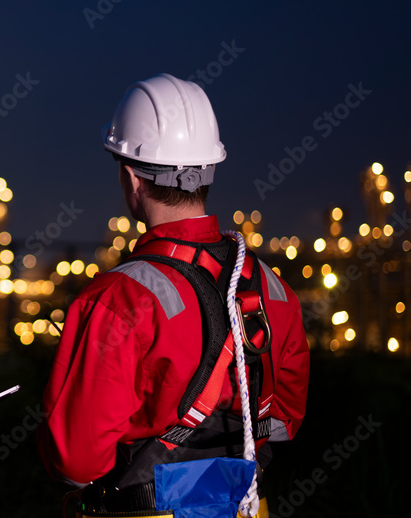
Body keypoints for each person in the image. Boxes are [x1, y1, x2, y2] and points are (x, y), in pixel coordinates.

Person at [39, 74, 310, 517]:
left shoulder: (117, 298)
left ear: (131, 179)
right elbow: (284, 421)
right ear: (209, 171)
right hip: (247, 508)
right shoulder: (273, 289)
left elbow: (76, 460)